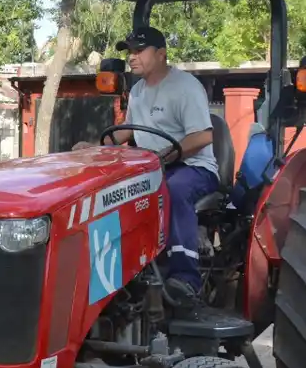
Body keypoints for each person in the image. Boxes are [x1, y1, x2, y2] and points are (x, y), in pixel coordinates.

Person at [82, 25, 218, 308]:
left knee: (173, 189)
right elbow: (128, 131)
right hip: (154, 167)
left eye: (138, 51)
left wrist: (166, 155)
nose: (132, 57)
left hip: (193, 167)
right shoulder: (139, 91)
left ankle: (185, 278)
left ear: (161, 54)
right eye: (130, 52)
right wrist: (95, 147)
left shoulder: (185, 87)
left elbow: (204, 135)